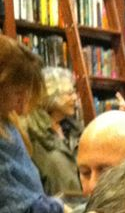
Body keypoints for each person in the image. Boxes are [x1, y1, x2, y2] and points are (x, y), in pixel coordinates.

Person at [0, 37, 65, 213]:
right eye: (17, 92)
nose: (22, 102)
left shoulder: (9, 124)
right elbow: (7, 199)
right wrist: (50, 206)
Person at [25, 66, 83, 195]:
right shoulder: (32, 134)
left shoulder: (75, 130)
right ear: (51, 96)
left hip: (80, 208)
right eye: (69, 93)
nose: (75, 98)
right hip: (53, 211)